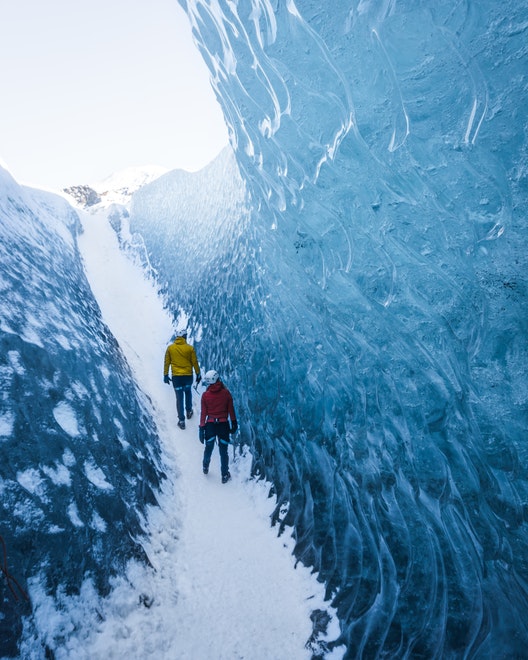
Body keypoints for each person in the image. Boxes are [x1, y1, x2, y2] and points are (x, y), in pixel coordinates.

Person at [199, 370, 238, 483]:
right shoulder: (226, 393)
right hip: (223, 425)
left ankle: (205, 466)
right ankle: (224, 475)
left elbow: (203, 413)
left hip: (210, 425)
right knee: (223, 451)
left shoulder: (205, 395)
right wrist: (234, 423)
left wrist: (201, 428)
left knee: (209, 448)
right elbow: (231, 410)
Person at [164, 329, 201, 430]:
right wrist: (198, 374)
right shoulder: (190, 348)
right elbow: (195, 362)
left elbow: (167, 362)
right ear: (184, 336)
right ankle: (189, 411)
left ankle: (181, 421)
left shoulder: (170, 348)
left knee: (179, 398)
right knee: (188, 392)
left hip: (176, 378)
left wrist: (165, 375)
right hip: (188, 377)